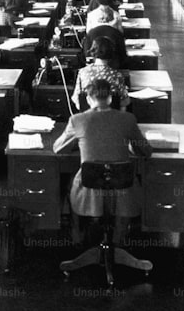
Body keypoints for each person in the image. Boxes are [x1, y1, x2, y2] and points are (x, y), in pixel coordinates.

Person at [53, 78, 152, 245]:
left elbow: (58, 148)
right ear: (111, 98)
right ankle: (118, 239)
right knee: (132, 179)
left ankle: (77, 233)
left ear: (89, 99)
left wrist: (80, 142)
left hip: (89, 189)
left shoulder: (78, 120)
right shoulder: (128, 119)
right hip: (123, 189)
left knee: (70, 182)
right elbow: (146, 151)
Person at [72, 37, 129, 110]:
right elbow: (125, 101)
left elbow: (77, 101)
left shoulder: (82, 72)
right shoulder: (117, 75)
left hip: (88, 118)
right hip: (111, 117)